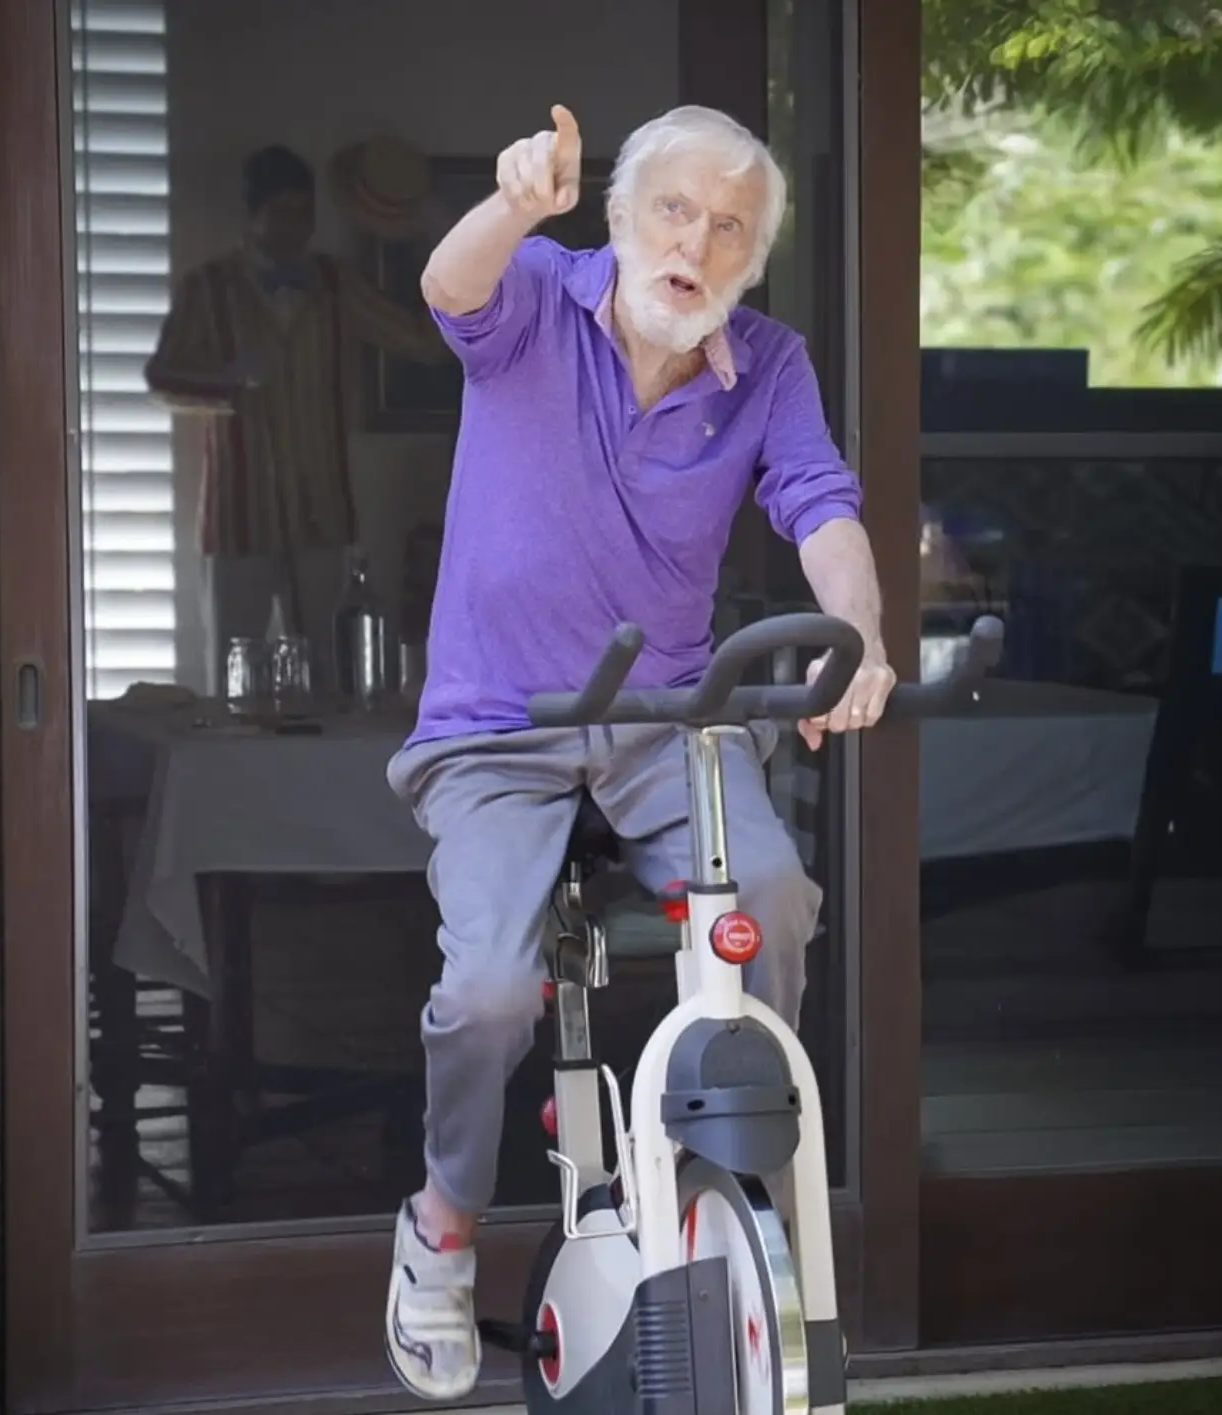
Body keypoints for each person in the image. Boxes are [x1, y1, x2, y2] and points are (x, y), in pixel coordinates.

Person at [383, 103, 896, 1401]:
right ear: (619, 219)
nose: (698, 240)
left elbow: (823, 507)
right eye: (673, 208)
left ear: (751, 256)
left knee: (775, 894)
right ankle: (442, 1223)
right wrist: (512, 203)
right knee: (492, 988)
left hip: (667, 716)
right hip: (499, 725)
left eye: (729, 225)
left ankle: (724, 1180)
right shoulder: (539, 293)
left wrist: (865, 639)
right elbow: (448, 286)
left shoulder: (768, 364)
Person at [144, 144, 446, 692]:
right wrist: (228, 378)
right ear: (251, 215)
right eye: (280, 212)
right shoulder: (207, 288)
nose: (294, 228)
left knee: (331, 673)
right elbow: (162, 380)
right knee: (233, 674)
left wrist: (443, 253)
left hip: (321, 511)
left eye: (303, 213)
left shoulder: (334, 283)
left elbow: (422, 341)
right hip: (240, 515)